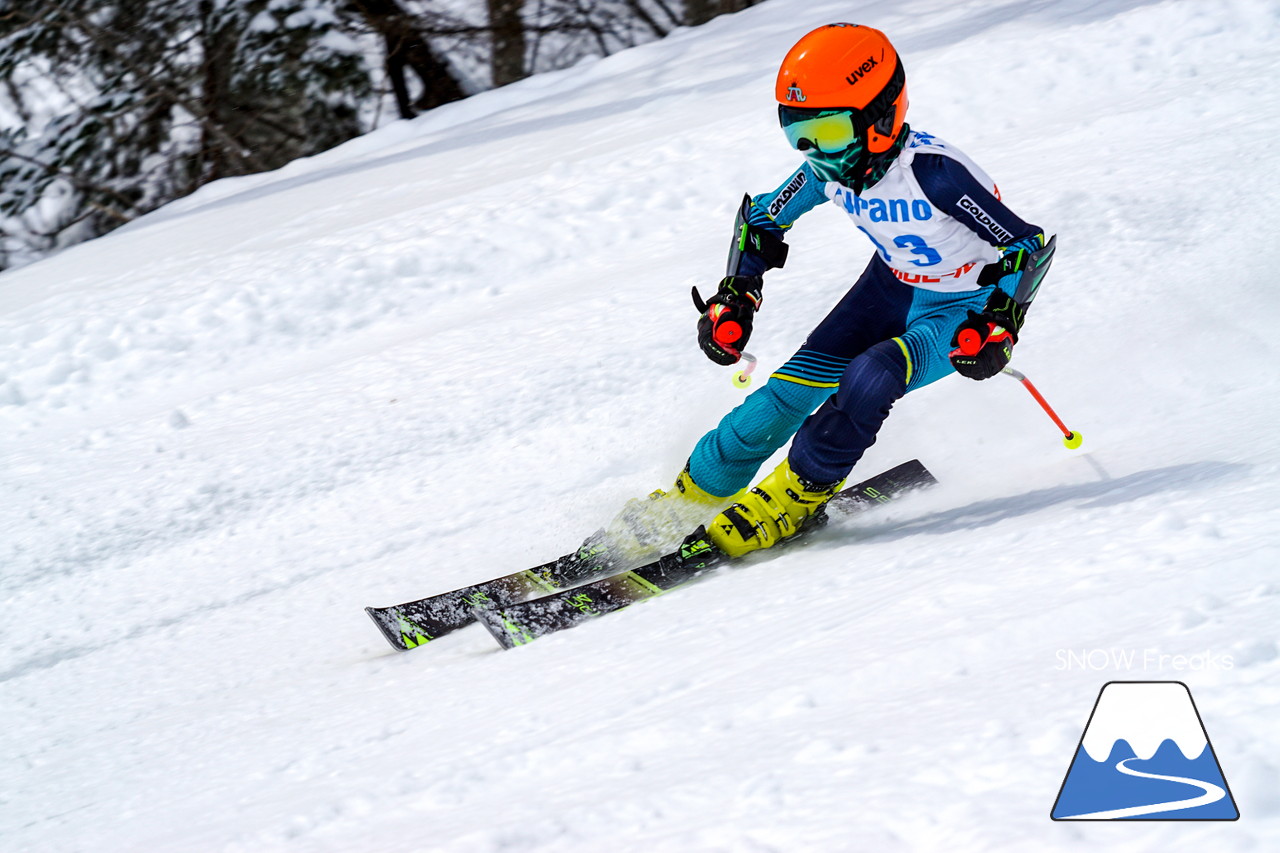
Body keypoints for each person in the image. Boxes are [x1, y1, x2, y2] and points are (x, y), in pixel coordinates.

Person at [596, 22, 1055, 564]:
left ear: (880, 117)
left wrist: (1001, 321)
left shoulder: (935, 175)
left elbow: (1027, 246)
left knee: (873, 375)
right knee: (780, 400)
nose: (819, 153)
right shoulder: (825, 171)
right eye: (801, 136)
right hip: (888, 287)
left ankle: (799, 495)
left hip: (960, 308)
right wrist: (737, 294)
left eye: (831, 132)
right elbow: (761, 221)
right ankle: (686, 501)